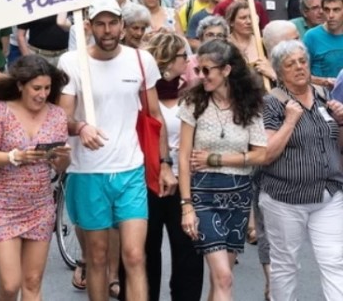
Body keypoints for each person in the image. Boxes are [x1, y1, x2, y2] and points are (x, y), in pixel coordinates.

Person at [58, 0, 176, 301]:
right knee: (97, 258)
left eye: (113, 23)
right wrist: (81, 127)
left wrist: (164, 163)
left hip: (131, 170)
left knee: (135, 256)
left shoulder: (140, 60)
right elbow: (62, 117)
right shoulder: (72, 61)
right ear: (89, 26)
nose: (107, 30)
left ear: (122, 26)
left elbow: (154, 115)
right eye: (100, 23)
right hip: (88, 171)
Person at [178, 40, 268, 301]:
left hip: (239, 197)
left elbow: (260, 154)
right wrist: (186, 206)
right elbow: (184, 157)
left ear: (226, 70)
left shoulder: (250, 104)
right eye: (198, 70)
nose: (201, 76)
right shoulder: (194, 103)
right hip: (203, 196)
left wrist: (216, 158)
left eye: (207, 70)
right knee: (224, 277)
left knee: (221, 279)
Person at [0, 55, 71, 300]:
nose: (42, 94)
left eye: (47, 88)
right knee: (10, 285)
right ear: (20, 85)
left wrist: (60, 157)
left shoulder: (57, 115)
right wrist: (15, 156)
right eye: (36, 88)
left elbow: (62, 166)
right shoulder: (0, 111)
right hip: (4, 207)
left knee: (32, 282)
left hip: (40, 205)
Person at [260, 40, 343, 301]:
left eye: (302, 61)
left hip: (328, 193)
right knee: (285, 266)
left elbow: (337, 146)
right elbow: (266, 153)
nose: (299, 67)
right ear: (279, 71)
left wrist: (341, 122)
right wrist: (290, 120)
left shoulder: (324, 96)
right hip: (286, 198)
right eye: (290, 64)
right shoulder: (271, 103)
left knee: (335, 260)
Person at [143, 33, 204, 301]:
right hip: (150, 181)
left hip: (187, 181)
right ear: (168, 60)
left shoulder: (193, 94)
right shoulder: (144, 93)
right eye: (184, 56)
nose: (189, 61)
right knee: (145, 253)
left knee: (188, 253)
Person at [303, 0, 343, 88]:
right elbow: (301, 75)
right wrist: (324, 81)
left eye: (336, 10)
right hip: (322, 98)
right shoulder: (311, 37)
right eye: (326, 10)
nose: (331, 15)